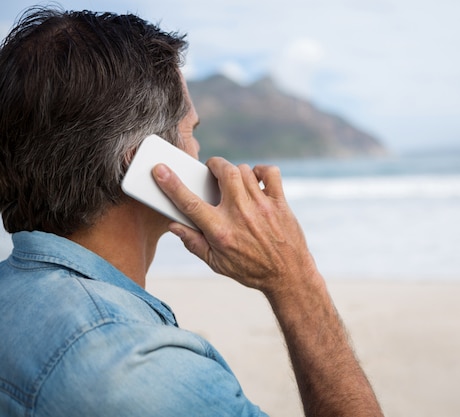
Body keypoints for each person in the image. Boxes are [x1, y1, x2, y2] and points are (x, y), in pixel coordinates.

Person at [0, 7, 383, 417]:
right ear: (148, 166)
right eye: (191, 133)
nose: (199, 154)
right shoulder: (137, 373)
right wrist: (295, 280)